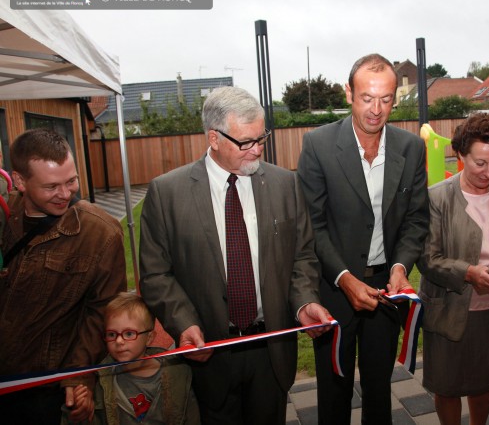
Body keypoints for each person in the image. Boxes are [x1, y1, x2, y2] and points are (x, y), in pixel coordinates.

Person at [139, 86, 332, 425]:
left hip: (270, 349)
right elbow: (156, 274)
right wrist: (184, 323)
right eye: (246, 142)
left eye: (261, 139)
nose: (257, 151)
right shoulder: (167, 193)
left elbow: (302, 255)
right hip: (210, 352)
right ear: (213, 138)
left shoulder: (285, 184)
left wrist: (303, 302)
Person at [296, 53, 430, 424]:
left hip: (387, 290)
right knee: (333, 392)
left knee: (379, 387)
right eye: (367, 98)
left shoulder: (411, 147)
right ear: (348, 94)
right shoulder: (318, 145)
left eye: (386, 99)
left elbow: (416, 219)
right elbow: (312, 225)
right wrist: (345, 279)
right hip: (336, 288)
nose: (376, 109)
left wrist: (401, 267)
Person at [0, 128, 127, 425]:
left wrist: (80, 376)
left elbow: (102, 312)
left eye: (71, 181)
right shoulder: (3, 218)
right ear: (19, 181)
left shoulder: (101, 233)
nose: (65, 194)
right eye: (51, 186)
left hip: (46, 389)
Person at [417, 113, 489, 425]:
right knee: (448, 385)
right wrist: (468, 272)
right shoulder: (436, 197)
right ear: (460, 155)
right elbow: (428, 259)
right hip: (449, 311)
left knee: (485, 381)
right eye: (480, 163)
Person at [83, 292, 200, 424]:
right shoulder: (101, 379)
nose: (119, 341)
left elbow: (191, 417)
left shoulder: (178, 374)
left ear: (149, 338)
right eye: (111, 334)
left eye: (129, 333)